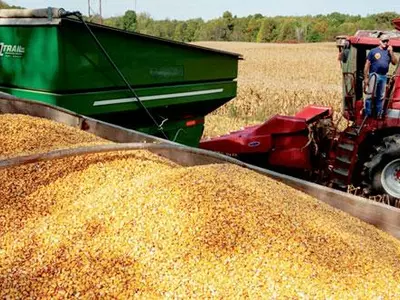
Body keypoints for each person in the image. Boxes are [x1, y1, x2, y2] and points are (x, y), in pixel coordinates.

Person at [363, 34, 398, 117]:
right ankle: (368, 113)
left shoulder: (389, 52)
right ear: (379, 41)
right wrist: (366, 77)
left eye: (387, 41)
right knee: (370, 95)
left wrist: (391, 52)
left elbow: (395, 62)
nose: (385, 43)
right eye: (384, 41)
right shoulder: (373, 51)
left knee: (381, 96)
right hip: (374, 75)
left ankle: (379, 113)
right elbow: (367, 65)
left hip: (383, 76)